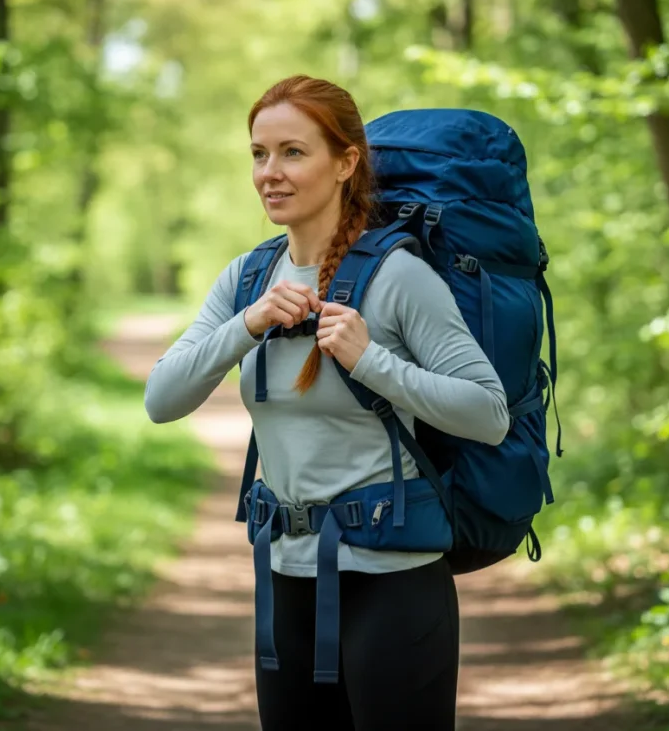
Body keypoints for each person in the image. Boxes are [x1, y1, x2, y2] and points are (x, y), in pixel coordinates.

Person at [144, 75, 510, 730]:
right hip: (285, 575)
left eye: (292, 152)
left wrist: (372, 361)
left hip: (392, 580)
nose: (269, 173)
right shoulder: (247, 278)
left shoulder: (397, 276)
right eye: (258, 153)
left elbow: (487, 411)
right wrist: (246, 324)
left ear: (345, 163)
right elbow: (161, 399)